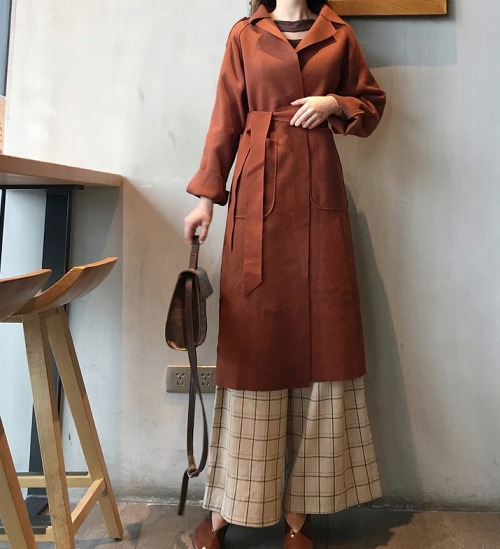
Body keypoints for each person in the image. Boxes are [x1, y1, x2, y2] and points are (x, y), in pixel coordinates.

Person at [184, 0, 386, 547]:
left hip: (319, 193)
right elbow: (226, 115)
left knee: (325, 343)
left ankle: (301, 512)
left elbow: (371, 104)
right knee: (255, 347)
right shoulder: (245, 33)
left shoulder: (337, 33)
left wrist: (334, 102)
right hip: (256, 192)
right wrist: (206, 200)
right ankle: (230, 505)